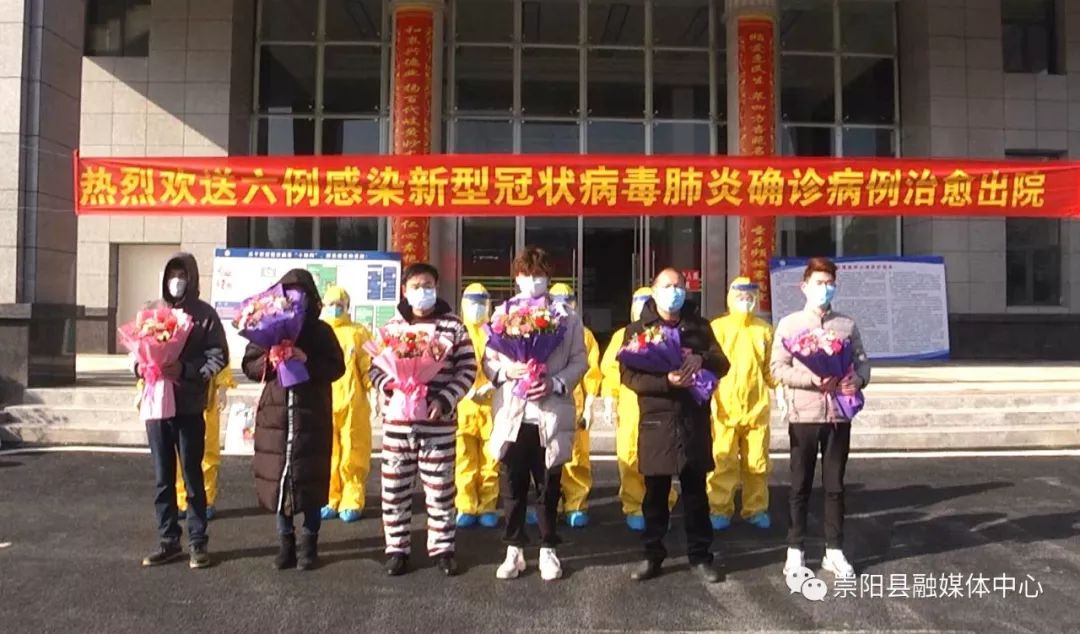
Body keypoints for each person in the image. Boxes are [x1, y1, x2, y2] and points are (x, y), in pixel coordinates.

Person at [620, 268, 729, 583]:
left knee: (696, 494)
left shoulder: (699, 327)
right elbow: (629, 376)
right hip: (657, 421)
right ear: (653, 291)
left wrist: (701, 359)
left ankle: (701, 556)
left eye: (679, 286)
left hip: (693, 421)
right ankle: (652, 555)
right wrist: (666, 381)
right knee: (655, 495)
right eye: (667, 286)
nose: (674, 292)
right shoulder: (637, 330)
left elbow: (723, 363)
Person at [485, 247, 588, 581]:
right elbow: (488, 360)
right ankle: (513, 549)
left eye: (539, 274)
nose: (533, 280)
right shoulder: (503, 314)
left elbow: (580, 360)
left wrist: (555, 383)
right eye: (526, 274)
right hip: (513, 415)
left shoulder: (565, 317)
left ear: (548, 277)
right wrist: (507, 371)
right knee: (512, 486)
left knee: (548, 486)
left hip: (550, 414)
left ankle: (548, 549)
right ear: (516, 278)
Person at [370, 263, 476, 578]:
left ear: (437, 287)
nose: (422, 291)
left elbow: (467, 369)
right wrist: (391, 387)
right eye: (416, 286)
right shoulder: (391, 327)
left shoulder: (453, 327)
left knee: (440, 490)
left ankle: (443, 549)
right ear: (404, 290)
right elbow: (374, 368)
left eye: (428, 285)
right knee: (395, 490)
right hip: (398, 425)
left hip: (437, 425)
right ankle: (396, 549)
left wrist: (445, 400)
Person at [772, 257, 870, 580]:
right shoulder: (789, 325)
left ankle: (834, 549)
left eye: (830, 284)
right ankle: (795, 549)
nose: (825, 289)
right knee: (799, 485)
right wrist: (811, 380)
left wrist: (856, 380)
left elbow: (863, 363)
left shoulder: (846, 325)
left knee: (835, 486)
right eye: (819, 283)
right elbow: (777, 368)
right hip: (804, 415)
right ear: (804, 286)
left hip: (838, 416)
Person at [242, 269, 345, 572]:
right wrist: (269, 360)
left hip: (311, 415)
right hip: (276, 416)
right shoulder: (267, 326)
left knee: (309, 480)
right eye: (289, 293)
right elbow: (249, 365)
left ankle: (309, 544)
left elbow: (336, 367)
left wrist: (306, 360)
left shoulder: (321, 331)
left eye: (301, 293)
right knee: (279, 480)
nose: (295, 298)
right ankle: (285, 543)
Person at [139, 253, 228, 570]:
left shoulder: (205, 316)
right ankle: (168, 541)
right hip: (157, 408)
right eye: (171, 275)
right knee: (162, 478)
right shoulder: (153, 312)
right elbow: (137, 354)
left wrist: (186, 370)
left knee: (192, 476)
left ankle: (198, 542)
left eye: (182, 275)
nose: (176, 281)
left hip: (188, 407)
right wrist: (142, 367)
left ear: (191, 278)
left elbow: (218, 357)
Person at [599, 287, 677, 531]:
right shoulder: (623, 335)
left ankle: (663, 506)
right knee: (630, 456)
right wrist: (609, 399)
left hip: (658, 405)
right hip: (630, 407)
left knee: (659, 459)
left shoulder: (666, 333)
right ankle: (634, 505)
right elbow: (611, 370)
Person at [706, 277, 775, 531]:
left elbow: (770, 369)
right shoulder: (718, 328)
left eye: (749, 298)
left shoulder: (764, 330)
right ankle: (719, 508)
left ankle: (756, 508)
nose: (745, 302)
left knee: (757, 461)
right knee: (722, 460)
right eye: (740, 298)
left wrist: (783, 389)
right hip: (724, 408)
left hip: (757, 409)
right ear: (730, 298)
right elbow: (708, 365)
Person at [549, 282, 602, 528]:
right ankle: (549, 505)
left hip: (574, 405)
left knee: (576, 458)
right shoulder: (540, 330)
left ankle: (576, 503)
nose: (563, 306)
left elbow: (592, 371)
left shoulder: (584, 334)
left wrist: (590, 403)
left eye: (567, 301)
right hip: (547, 405)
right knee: (546, 457)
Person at [319, 286, 374, 524]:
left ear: (348, 306)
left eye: (340, 304)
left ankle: (352, 498)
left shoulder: (359, 332)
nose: (336, 308)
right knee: (327, 451)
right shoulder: (318, 332)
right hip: (323, 401)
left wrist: (376, 389)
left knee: (354, 450)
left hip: (353, 402)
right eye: (331, 304)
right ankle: (329, 497)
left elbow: (369, 365)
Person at [455, 282, 501, 529]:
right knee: (464, 459)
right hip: (463, 407)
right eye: (472, 302)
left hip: (491, 407)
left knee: (491, 459)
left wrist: (495, 384)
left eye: (481, 303)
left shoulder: (496, 334)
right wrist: (465, 389)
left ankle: (488, 505)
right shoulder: (456, 333)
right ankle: (466, 504)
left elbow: (507, 363)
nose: (477, 308)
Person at [175, 367, 235, 521]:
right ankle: (182, 499)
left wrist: (222, 387)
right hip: (178, 396)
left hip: (206, 399)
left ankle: (206, 500)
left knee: (208, 451)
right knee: (180, 453)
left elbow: (221, 358)